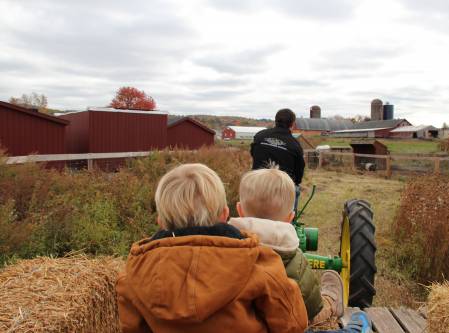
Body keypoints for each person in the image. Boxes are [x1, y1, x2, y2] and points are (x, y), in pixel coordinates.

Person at [116, 163, 308, 333]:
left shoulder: (133, 275)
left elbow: (132, 327)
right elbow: (293, 325)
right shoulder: (260, 262)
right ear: (225, 214)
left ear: (161, 222)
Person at [229, 167, 344, 326]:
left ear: (240, 210)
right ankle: (332, 303)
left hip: (239, 322)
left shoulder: (226, 250)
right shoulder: (297, 261)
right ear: (290, 217)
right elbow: (310, 308)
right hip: (285, 325)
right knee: (317, 312)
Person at [250, 108, 305, 212]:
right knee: (296, 189)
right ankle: (290, 220)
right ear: (292, 124)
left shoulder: (260, 136)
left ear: (275, 120)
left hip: (257, 182)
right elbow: (299, 170)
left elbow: (253, 153)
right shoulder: (294, 145)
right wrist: (296, 182)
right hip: (282, 187)